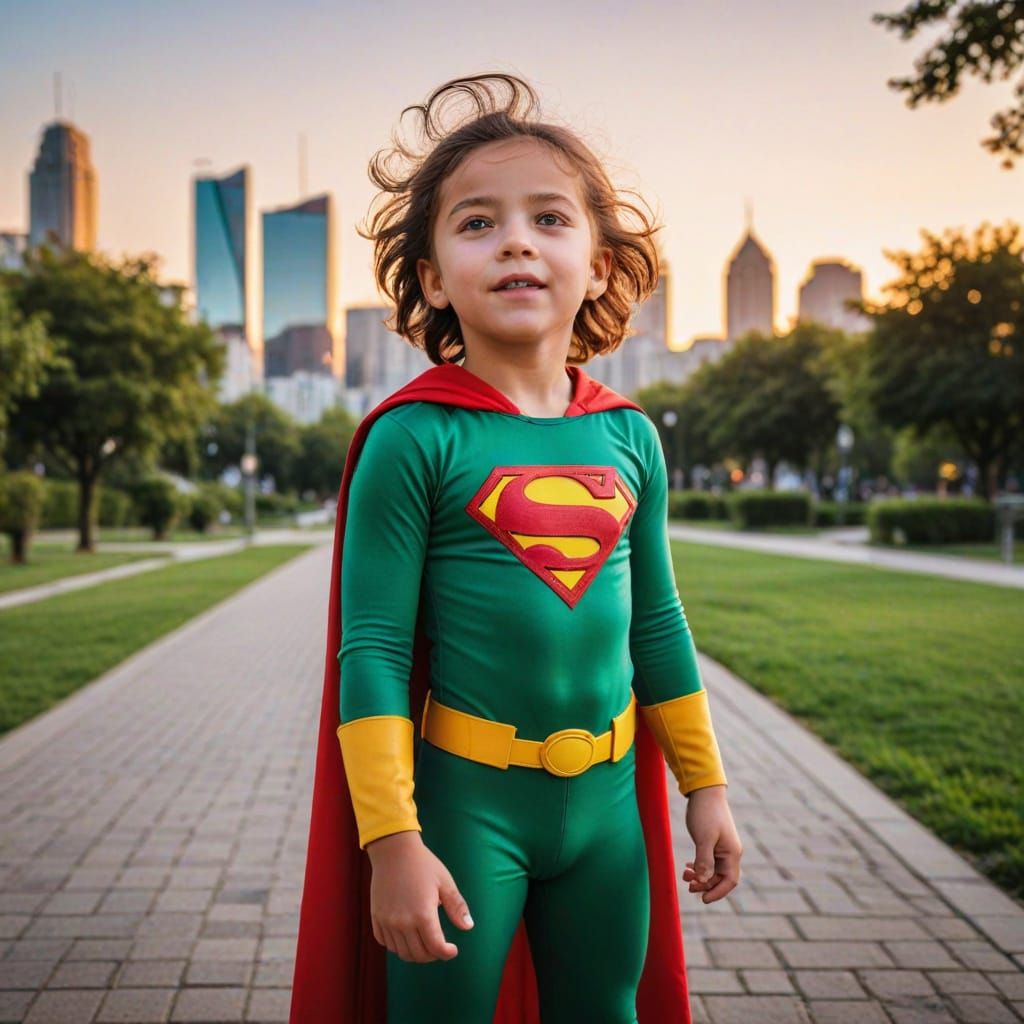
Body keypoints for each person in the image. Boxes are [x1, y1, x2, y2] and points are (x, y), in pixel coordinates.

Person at [290, 73, 742, 1024]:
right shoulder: (415, 437)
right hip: (463, 810)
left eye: (548, 218)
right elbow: (370, 651)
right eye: (477, 223)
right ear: (429, 276)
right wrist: (391, 841)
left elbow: (656, 624)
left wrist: (705, 786)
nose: (516, 242)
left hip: (612, 808)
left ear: (603, 264)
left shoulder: (631, 438)